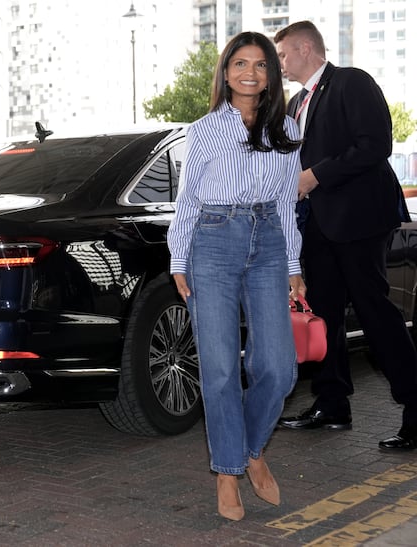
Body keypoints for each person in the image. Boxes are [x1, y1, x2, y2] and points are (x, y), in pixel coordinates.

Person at [167, 31, 304, 521]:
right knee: (221, 369)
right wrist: (177, 257)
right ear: (225, 73)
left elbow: (287, 202)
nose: (250, 72)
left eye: (260, 64)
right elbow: (187, 199)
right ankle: (229, 472)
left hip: (269, 240)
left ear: (272, 73)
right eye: (240, 64)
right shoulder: (203, 129)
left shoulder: (285, 128)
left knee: (278, 367)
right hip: (213, 241)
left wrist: (294, 266)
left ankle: (250, 448)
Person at [273, 21, 417, 451]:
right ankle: (332, 404)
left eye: (282, 55)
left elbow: (375, 145)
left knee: (376, 313)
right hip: (315, 226)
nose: (279, 63)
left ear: (305, 48)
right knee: (325, 316)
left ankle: (414, 409)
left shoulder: (351, 82)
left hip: (359, 219)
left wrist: (315, 176)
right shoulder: (296, 102)